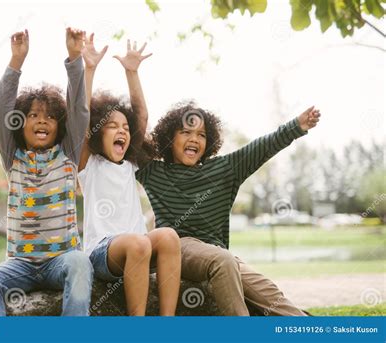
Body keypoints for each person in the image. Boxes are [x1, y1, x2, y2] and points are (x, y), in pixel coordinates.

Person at [136, 101, 321, 316]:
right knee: (223, 260)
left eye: (202, 134)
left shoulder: (225, 170)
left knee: (268, 291)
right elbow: (137, 131)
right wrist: (133, 74)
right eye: (186, 132)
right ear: (170, 137)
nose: (194, 139)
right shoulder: (155, 172)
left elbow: (262, 147)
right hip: (178, 247)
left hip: (218, 252)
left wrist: (297, 126)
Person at [0, 28, 93, 316]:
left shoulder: (68, 154)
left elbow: (79, 110)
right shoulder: (13, 156)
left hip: (61, 260)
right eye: (34, 115)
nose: (42, 121)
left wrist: (75, 59)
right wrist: (16, 61)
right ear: (19, 123)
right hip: (20, 265)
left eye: (50, 116)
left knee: (80, 263)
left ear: (60, 125)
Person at [78, 36, 181, 316]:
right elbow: (82, 118)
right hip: (102, 254)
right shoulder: (90, 164)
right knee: (139, 242)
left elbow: (142, 115)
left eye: (125, 127)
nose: (122, 130)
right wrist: (88, 70)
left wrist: (132, 73)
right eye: (112, 126)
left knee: (170, 236)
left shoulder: (130, 164)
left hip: (139, 249)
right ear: (99, 132)